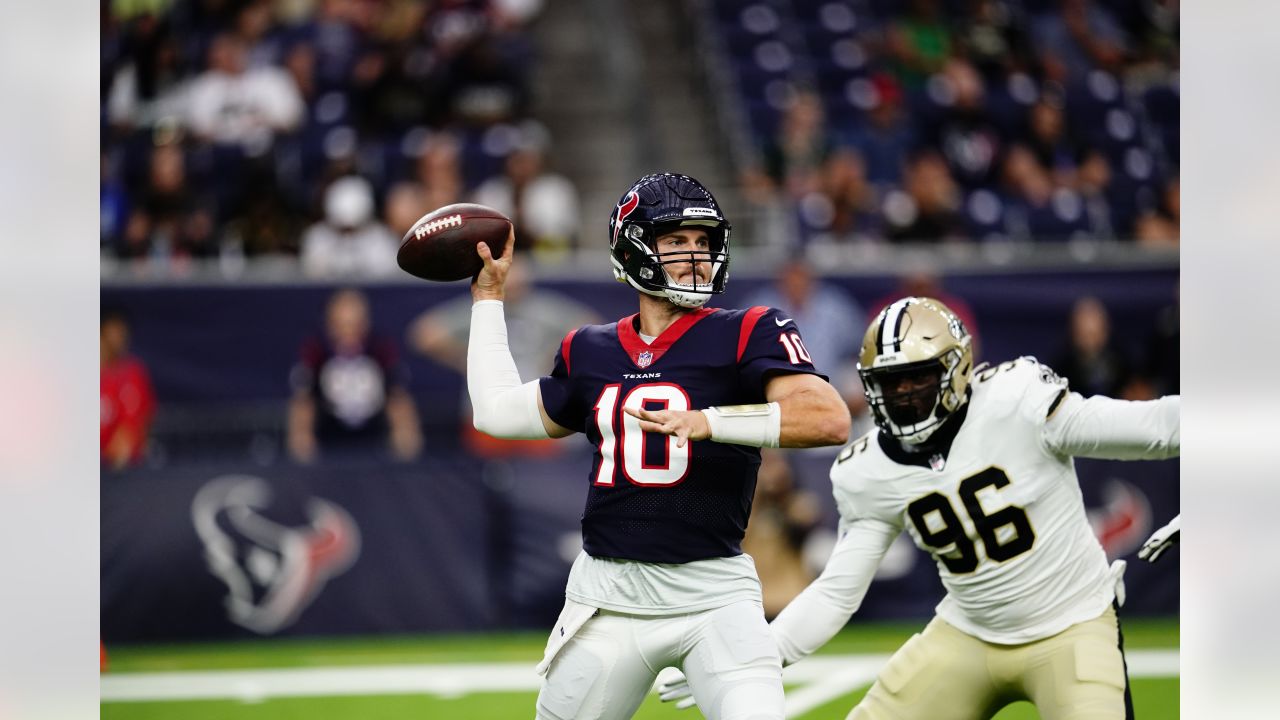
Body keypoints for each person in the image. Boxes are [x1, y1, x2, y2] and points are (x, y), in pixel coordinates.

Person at [660, 296, 1179, 719]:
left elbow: (1154, 428)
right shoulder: (866, 469)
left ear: (954, 371)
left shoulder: (1017, 402)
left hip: (1072, 623)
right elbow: (839, 592)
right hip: (969, 632)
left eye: (918, 378)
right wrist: (758, 656)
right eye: (890, 383)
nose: (904, 395)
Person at [463, 172, 851, 720]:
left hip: (714, 592)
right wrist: (488, 298)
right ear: (634, 247)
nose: (695, 255)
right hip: (609, 597)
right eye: (675, 242)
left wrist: (710, 422)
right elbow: (497, 413)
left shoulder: (748, 331)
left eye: (703, 242)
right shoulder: (589, 349)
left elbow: (828, 418)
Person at [287, 288, 422, 463]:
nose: (348, 333)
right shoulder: (317, 350)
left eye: (354, 325)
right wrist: (301, 437)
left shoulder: (379, 348)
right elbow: (304, 400)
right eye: (341, 325)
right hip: (328, 439)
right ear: (329, 325)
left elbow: (397, 397)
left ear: (366, 323)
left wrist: (405, 434)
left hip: (375, 439)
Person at [101, 308, 156, 469]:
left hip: (119, 470)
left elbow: (130, 429)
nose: (117, 339)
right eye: (111, 333)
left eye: (121, 333)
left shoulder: (131, 374)